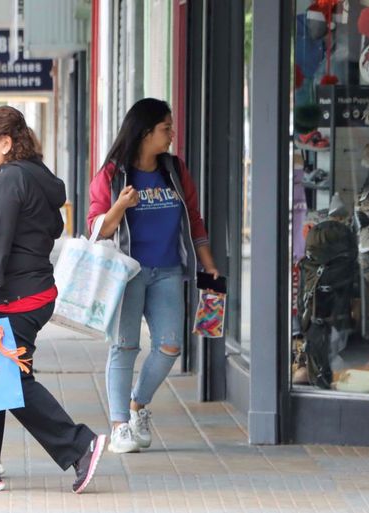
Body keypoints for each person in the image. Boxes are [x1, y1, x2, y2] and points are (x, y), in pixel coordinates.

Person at [0, 106, 105, 493]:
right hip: (27, 292)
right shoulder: (33, 176)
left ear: (7, 143)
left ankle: (80, 444)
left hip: (11, 296)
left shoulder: (9, 179)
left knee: (6, 377)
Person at [87, 98, 219, 454]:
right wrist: (120, 206)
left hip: (168, 272)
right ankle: (119, 427)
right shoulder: (113, 174)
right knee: (124, 346)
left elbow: (194, 218)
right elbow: (96, 230)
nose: (172, 134)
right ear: (145, 133)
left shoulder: (174, 169)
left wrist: (208, 264)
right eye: (166, 128)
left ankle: (137, 405)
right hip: (127, 274)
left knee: (170, 345)